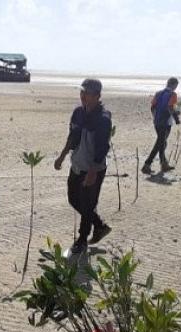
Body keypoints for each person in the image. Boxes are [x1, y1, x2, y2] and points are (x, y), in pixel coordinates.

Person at [54, 79, 113, 255]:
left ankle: (82, 241)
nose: (83, 96)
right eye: (82, 92)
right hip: (77, 164)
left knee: (88, 203)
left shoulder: (103, 118)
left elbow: (103, 147)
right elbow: (72, 135)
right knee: (73, 198)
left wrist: (93, 171)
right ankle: (100, 225)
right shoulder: (78, 112)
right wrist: (62, 155)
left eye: (87, 93)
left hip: (94, 168)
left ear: (97, 96)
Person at [142, 77, 181, 174]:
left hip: (157, 122)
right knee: (160, 143)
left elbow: (152, 107)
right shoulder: (173, 94)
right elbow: (170, 107)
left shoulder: (158, 93)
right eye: (176, 85)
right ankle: (147, 164)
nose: (176, 88)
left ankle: (164, 164)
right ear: (174, 85)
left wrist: (156, 117)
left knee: (162, 143)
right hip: (166, 123)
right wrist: (176, 118)